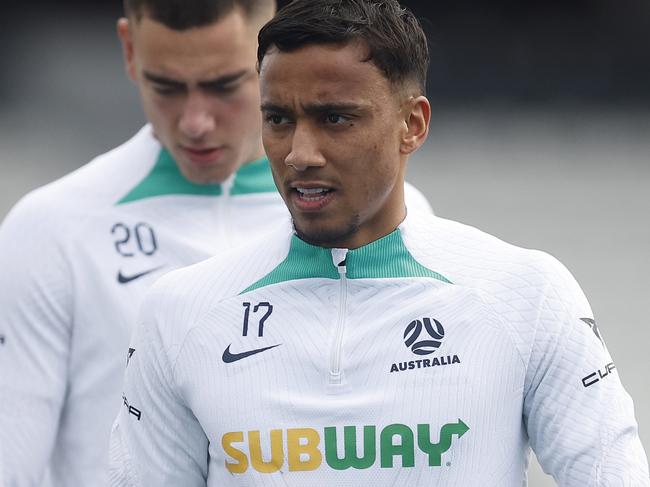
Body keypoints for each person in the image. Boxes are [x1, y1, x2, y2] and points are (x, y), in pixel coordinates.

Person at [109, 0, 649, 485]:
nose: (300, 153)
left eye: (335, 118)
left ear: (412, 124)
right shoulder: (180, 314)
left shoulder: (525, 295)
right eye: (278, 119)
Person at [0, 1, 434, 485]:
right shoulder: (50, 228)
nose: (195, 122)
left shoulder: (388, 215)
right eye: (165, 86)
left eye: (225, 84)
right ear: (129, 49)